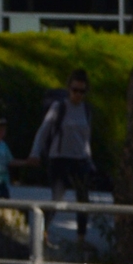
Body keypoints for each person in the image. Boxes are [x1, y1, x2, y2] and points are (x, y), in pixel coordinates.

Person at [28, 69, 98, 236]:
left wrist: (90, 161)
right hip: (59, 159)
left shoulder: (86, 110)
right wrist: (35, 153)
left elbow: (86, 139)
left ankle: (81, 239)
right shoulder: (59, 107)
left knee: (83, 200)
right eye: (75, 90)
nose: (78, 95)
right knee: (58, 199)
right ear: (69, 89)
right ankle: (42, 233)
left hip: (80, 160)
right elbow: (43, 131)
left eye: (82, 91)